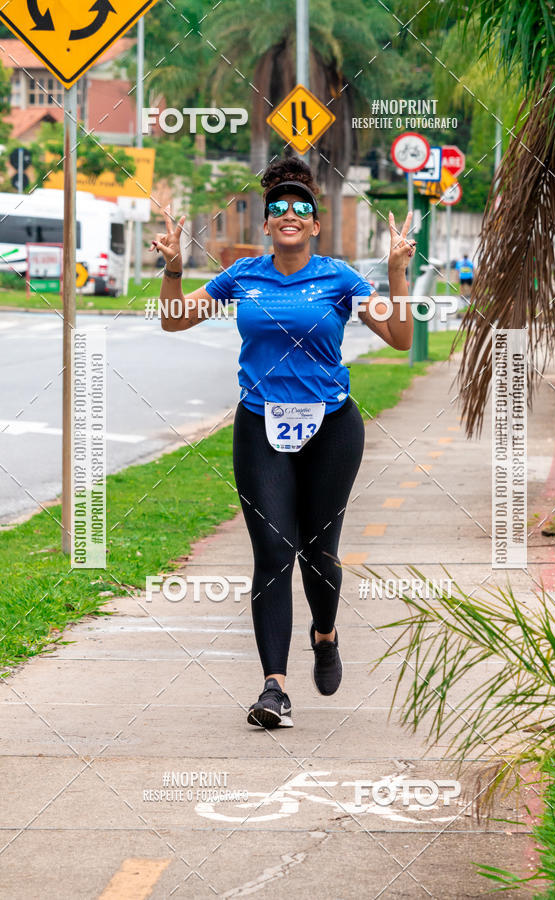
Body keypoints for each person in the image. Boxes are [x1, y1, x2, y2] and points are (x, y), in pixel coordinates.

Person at [152, 157, 415, 729]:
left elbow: (399, 338)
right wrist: (172, 269)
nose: (289, 214)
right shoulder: (243, 276)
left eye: (301, 208)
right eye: (278, 208)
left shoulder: (340, 278)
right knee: (273, 553)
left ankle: (325, 635)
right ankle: (274, 688)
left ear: (315, 225)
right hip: (259, 425)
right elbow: (175, 320)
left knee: (317, 553)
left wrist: (398, 272)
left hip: (331, 426)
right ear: (266, 225)